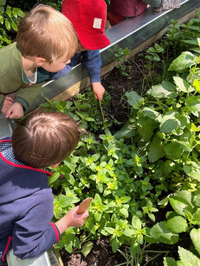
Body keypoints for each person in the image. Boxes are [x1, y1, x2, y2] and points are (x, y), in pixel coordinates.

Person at [0, 111, 89, 266]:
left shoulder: (3, 145)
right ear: (56, 164)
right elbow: (25, 250)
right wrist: (66, 222)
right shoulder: (39, 199)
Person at [0, 4, 78, 120]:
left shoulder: (39, 67)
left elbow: (34, 84)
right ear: (41, 61)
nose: (69, 61)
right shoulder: (5, 69)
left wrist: (20, 102)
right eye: (64, 60)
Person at [49, 0, 110, 102]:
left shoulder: (82, 46)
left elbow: (93, 55)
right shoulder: (50, 41)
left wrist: (96, 80)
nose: (84, 47)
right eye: (80, 40)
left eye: (89, 41)